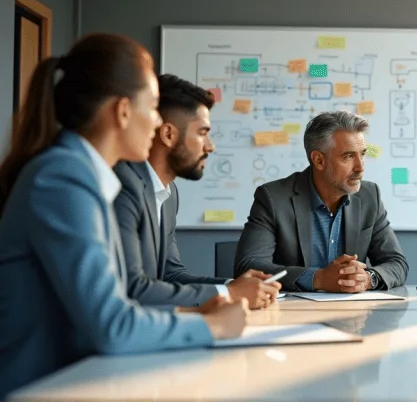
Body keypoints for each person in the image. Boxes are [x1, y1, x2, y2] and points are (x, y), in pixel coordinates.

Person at [0, 33, 248, 399]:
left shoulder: (82, 175)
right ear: (122, 111)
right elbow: (112, 324)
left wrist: (198, 316)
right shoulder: (63, 178)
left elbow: (115, 308)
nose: (155, 123)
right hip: (42, 388)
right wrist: (213, 328)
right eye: (151, 107)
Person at [114, 74, 280, 309]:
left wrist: (235, 285)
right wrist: (229, 293)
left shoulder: (168, 193)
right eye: (202, 133)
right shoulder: (124, 187)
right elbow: (134, 290)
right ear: (169, 134)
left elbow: (170, 275)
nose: (210, 146)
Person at [234, 111, 409, 292]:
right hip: (291, 313)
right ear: (318, 160)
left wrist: (368, 279)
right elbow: (248, 267)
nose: (360, 167)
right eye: (348, 156)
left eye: (362, 154)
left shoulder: (369, 195)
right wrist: (318, 279)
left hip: (353, 314)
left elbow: (396, 263)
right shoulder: (273, 198)